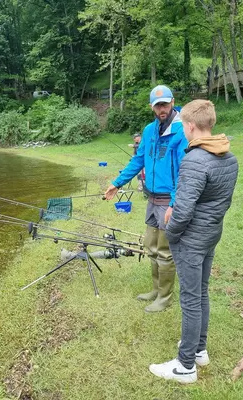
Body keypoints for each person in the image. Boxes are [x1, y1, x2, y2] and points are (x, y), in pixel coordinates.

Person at [149, 99, 238, 383]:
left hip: (191, 241)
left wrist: (170, 232)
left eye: (182, 127)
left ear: (189, 126)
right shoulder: (228, 157)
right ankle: (199, 350)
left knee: (190, 299)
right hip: (211, 235)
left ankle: (185, 366)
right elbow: (220, 202)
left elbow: (183, 211)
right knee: (201, 293)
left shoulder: (195, 159)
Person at [104, 85, 188, 313]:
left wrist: (174, 203)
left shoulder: (182, 132)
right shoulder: (149, 130)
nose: (162, 109)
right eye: (157, 105)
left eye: (165, 104)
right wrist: (117, 183)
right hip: (151, 198)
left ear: (172, 102)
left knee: (164, 250)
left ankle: (165, 297)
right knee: (150, 247)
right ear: (152, 107)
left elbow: (184, 173)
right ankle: (155, 288)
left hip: (168, 201)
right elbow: (138, 160)